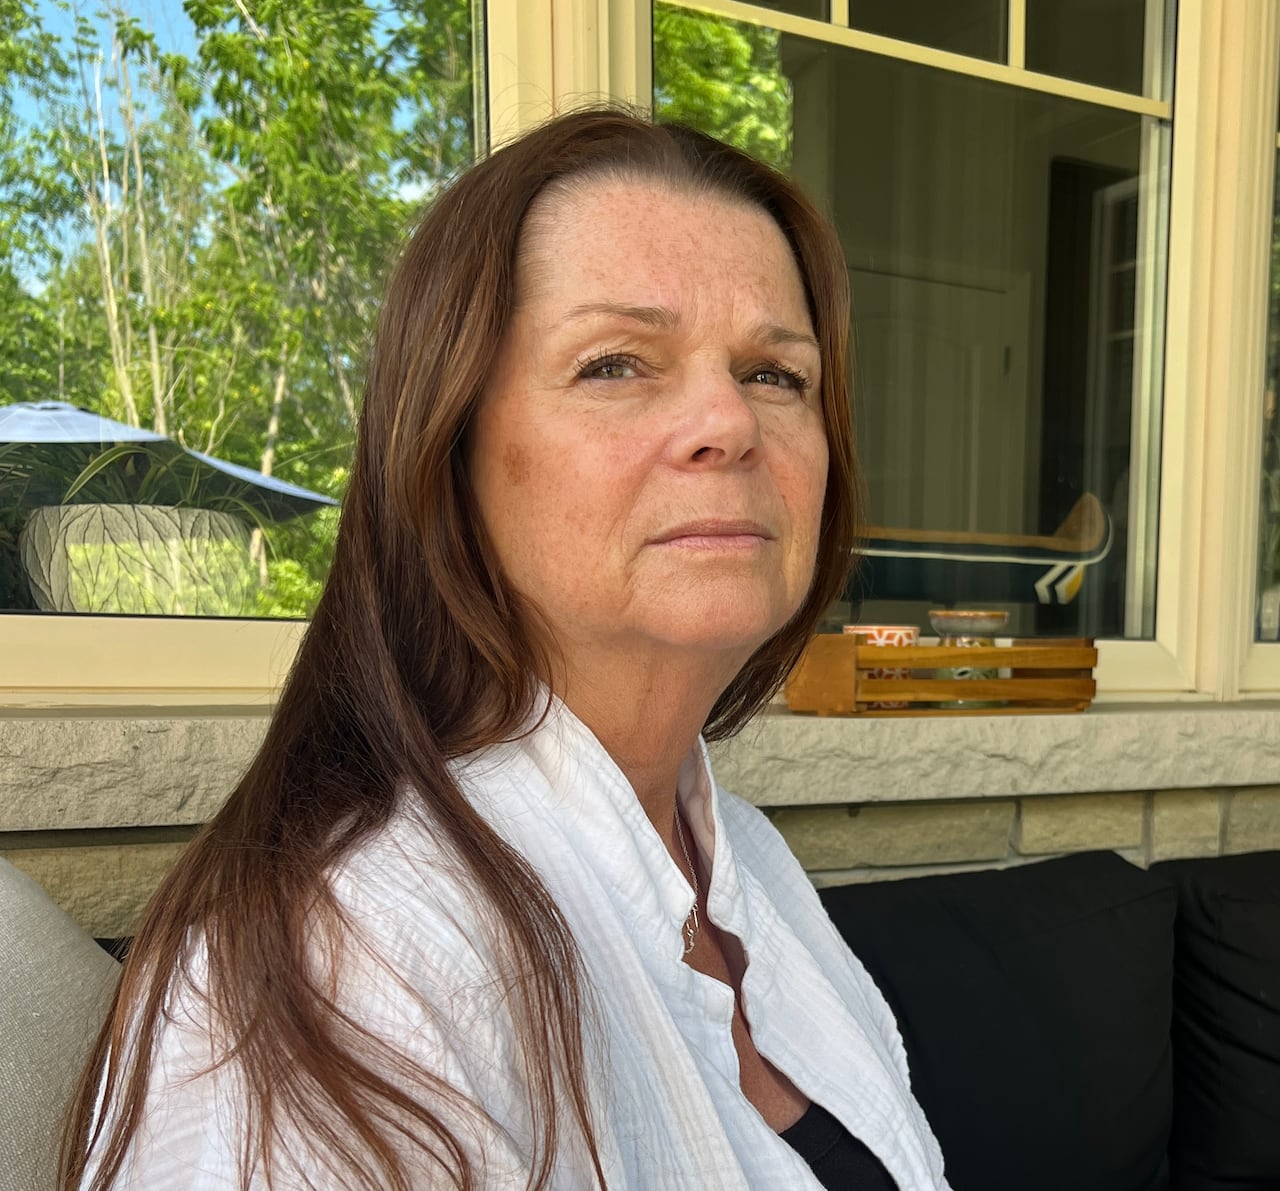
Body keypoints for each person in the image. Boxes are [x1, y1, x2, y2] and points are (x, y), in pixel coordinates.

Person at [61, 107, 950, 1191]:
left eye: (776, 374)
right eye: (617, 362)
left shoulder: (748, 862)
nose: (727, 420)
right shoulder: (350, 958)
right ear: (448, 447)